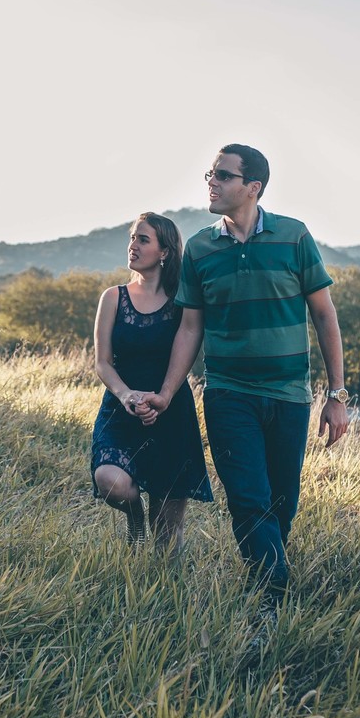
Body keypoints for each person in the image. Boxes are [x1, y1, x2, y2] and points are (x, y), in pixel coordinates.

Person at [139, 144, 349, 628]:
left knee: (282, 502)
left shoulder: (294, 237)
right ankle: (272, 600)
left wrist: (336, 396)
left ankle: (269, 582)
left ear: (252, 187)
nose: (210, 182)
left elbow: (324, 314)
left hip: (289, 396)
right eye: (210, 173)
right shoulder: (199, 248)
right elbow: (191, 328)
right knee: (248, 499)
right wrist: (169, 392)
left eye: (222, 175)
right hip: (228, 393)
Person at [90, 212, 213, 553]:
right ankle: (133, 518)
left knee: (167, 540)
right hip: (121, 408)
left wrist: (164, 395)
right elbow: (102, 362)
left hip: (170, 411)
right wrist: (126, 394)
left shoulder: (183, 301)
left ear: (165, 252)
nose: (133, 245)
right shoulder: (113, 297)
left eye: (143, 239)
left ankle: (165, 594)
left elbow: (190, 345)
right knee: (110, 480)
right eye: (132, 237)